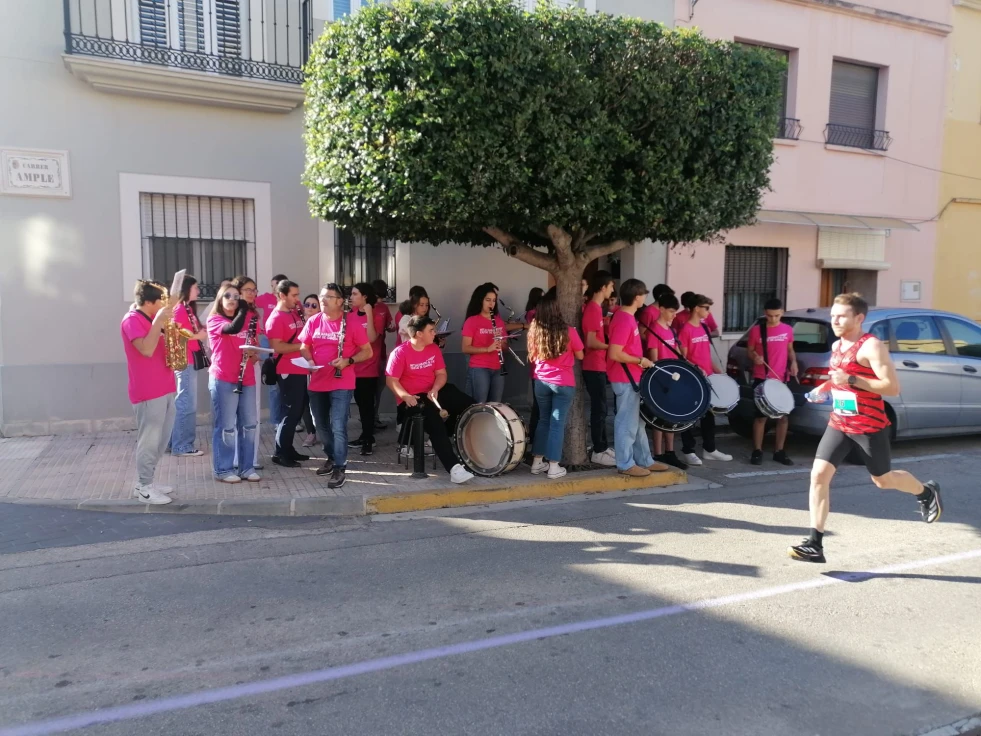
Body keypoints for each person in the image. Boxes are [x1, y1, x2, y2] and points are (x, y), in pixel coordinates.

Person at [789, 293, 943, 563]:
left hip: (869, 426)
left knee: (882, 481)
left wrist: (851, 378)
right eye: (833, 315)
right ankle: (815, 543)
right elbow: (839, 381)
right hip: (839, 422)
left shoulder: (871, 347)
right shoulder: (837, 346)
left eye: (841, 316)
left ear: (859, 318)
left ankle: (926, 491)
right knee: (818, 476)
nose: (834, 320)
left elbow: (892, 387)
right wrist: (824, 388)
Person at [386, 315, 476, 484]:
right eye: (431, 330)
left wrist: (435, 388)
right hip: (413, 398)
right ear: (419, 334)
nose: (435, 333)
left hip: (432, 391)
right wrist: (405, 396)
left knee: (465, 403)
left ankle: (450, 442)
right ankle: (454, 468)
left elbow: (441, 374)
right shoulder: (400, 352)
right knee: (434, 422)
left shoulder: (433, 349)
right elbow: (391, 380)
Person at [299, 283, 372, 489]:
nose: (322, 300)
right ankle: (331, 457)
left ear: (340, 301)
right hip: (317, 380)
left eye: (328, 297)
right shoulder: (314, 321)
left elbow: (367, 352)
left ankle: (340, 466)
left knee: (338, 425)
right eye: (322, 296)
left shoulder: (352, 323)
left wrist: (348, 361)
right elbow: (304, 345)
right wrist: (310, 361)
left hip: (341, 381)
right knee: (321, 425)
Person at [121, 280, 178, 505]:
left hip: (165, 385)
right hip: (147, 390)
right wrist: (159, 322)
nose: (165, 305)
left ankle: (148, 480)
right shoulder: (132, 320)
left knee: (162, 439)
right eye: (161, 302)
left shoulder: (151, 319)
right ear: (148, 302)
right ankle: (144, 487)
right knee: (149, 440)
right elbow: (145, 349)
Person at [606, 279, 670, 477]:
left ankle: (644, 460)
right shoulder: (624, 319)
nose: (645, 298)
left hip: (632, 377)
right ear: (637, 297)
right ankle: (625, 464)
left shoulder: (627, 317)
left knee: (638, 422)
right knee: (627, 422)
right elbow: (615, 353)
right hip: (625, 378)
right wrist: (640, 360)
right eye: (643, 294)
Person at [207, 282, 262, 483]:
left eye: (235, 296)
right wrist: (244, 308)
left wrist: (254, 352)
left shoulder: (249, 319)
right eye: (228, 296)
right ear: (220, 300)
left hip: (246, 378)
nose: (232, 300)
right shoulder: (214, 320)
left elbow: (254, 344)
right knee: (226, 426)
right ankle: (223, 469)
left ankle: (246, 468)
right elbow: (232, 328)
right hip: (224, 379)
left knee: (249, 424)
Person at [528, 289, 584, 480]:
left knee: (543, 420)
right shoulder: (568, 330)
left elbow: (533, 355)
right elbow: (580, 354)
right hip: (563, 383)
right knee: (557, 424)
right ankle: (553, 466)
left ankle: (537, 462)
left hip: (541, 381)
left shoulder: (535, 329)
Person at [677, 294, 732, 465]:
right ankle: (688, 450)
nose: (708, 311)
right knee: (690, 416)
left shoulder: (704, 328)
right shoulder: (685, 330)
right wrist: (696, 368)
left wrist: (718, 372)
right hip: (693, 379)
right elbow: (682, 358)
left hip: (707, 377)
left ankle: (710, 449)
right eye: (706, 307)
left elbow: (706, 355)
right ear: (696, 309)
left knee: (709, 416)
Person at [747, 298, 798, 466]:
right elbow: (750, 351)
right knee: (761, 417)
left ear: (782, 313)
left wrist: (794, 363)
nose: (773, 319)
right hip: (763, 378)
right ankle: (757, 451)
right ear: (765, 313)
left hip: (782, 378)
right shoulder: (756, 331)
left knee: (783, 417)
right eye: (770, 316)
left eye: (777, 315)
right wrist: (755, 357)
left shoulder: (788, 330)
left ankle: (779, 451)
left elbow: (790, 349)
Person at [265, 279, 310, 468]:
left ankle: (287, 448)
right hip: (287, 370)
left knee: (296, 411)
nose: (297, 299)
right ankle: (281, 453)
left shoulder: (293, 312)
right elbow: (277, 346)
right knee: (290, 412)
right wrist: (301, 347)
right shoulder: (275, 318)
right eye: (294, 295)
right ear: (282, 295)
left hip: (300, 367)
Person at [644, 292, 687, 470]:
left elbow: (677, 353)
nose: (673, 315)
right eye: (670, 311)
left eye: (675, 312)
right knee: (659, 419)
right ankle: (659, 453)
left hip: (674, 377)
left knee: (672, 417)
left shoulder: (670, 329)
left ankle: (670, 452)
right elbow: (654, 361)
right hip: (662, 379)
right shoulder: (654, 330)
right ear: (661, 309)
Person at [169, 274, 208, 457]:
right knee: (186, 403)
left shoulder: (187, 309)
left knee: (185, 402)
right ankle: (182, 445)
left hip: (190, 358)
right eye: (195, 287)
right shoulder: (180, 310)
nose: (198, 291)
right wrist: (198, 335)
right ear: (186, 289)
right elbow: (176, 334)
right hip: (185, 360)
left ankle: (175, 442)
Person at [581, 271, 616, 467]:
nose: (612, 290)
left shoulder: (596, 309)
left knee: (602, 408)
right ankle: (598, 449)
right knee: (599, 408)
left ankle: (602, 446)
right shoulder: (593, 309)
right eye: (611, 286)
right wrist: (611, 346)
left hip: (598, 365)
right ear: (603, 287)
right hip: (594, 365)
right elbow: (592, 341)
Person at [348, 282, 387, 455]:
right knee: (360, 404)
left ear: (364, 296)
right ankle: (365, 435)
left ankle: (369, 440)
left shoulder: (376, 314)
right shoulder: (351, 314)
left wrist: (369, 312)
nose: (351, 297)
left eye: (355, 294)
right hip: (353, 367)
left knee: (367, 406)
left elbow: (371, 337)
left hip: (369, 368)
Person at [231, 276, 266, 470]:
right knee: (233, 416)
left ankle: (250, 458)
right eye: (247, 289)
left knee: (252, 414)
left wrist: (256, 354)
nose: (252, 293)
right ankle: (235, 458)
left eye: (254, 289)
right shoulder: (231, 312)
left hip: (251, 365)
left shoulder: (254, 313)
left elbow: (255, 339)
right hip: (233, 367)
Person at [461, 283, 508, 404]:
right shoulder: (472, 321)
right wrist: (487, 349)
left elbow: (505, 347)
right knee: (480, 403)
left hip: (498, 368)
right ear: (480, 300)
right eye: (488, 300)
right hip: (479, 367)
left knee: (496, 404)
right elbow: (465, 348)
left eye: (493, 300)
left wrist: (502, 344)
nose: (491, 303)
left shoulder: (499, 322)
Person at [256, 274, 287, 427]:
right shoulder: (266, 298)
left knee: (287, 384)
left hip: (284, 343)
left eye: (276, 284)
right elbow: (249, 302)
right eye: (272, 285)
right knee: (273, 384)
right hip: (267, 342)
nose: (273, 288)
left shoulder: (290, 300)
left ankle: (288, 420)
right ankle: (276, 421)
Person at [371, 278, 396, 431]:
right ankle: (370, 417)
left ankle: (374, 417)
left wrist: (391, 327)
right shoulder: (365, 308)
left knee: (379, 387)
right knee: (369, 390)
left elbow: (390, 326)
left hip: (380, 353)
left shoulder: (384, 308)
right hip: (366, 356)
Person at [300, 294, 320, 447]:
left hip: (319, 368)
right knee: (304, 401)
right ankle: (311, 433)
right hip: (301, 367)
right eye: (307, 305)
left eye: (314, 305)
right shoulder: (298, 322)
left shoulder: (322, 322)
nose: (310, 308)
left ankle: (323, 431)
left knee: (319, 402)